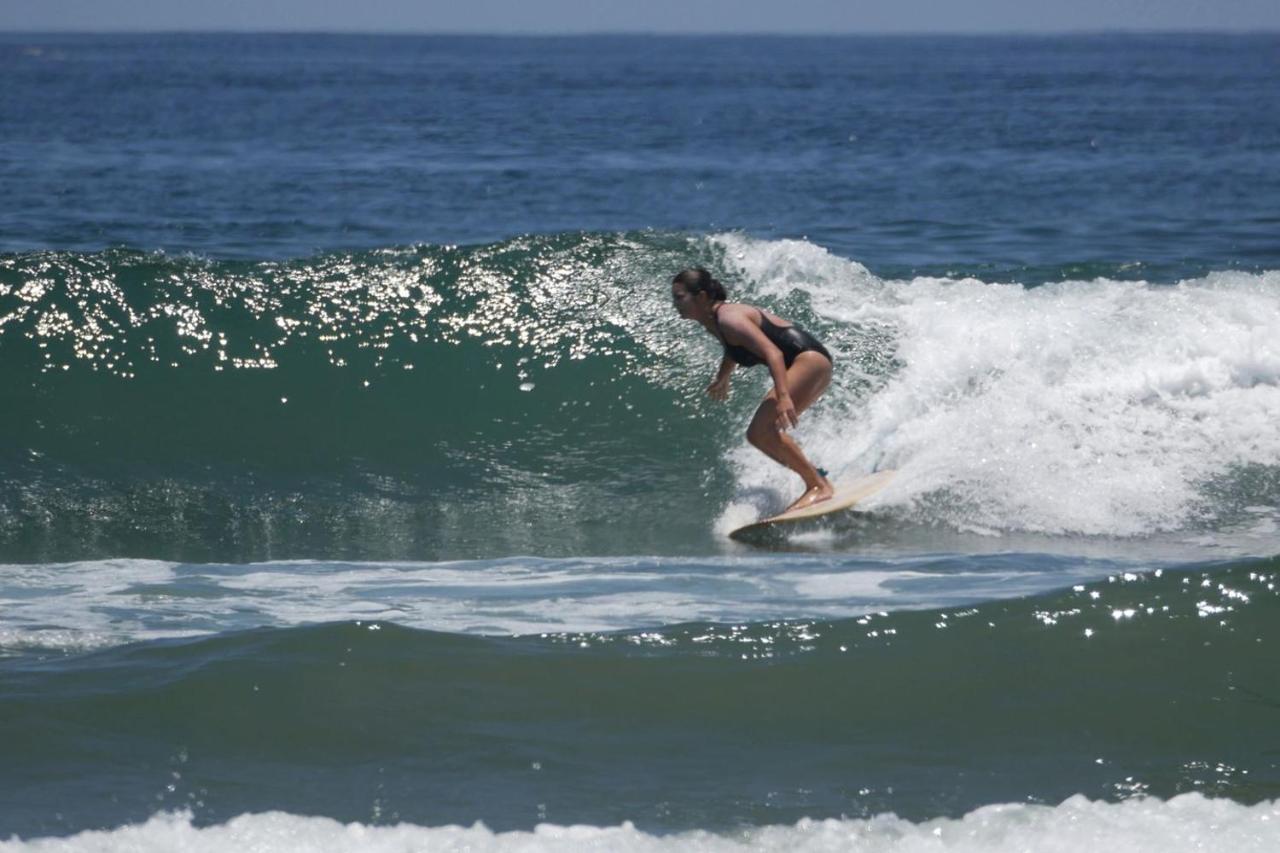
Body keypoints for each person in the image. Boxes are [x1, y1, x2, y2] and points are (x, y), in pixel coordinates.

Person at [671, 267, 834, 512]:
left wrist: (783, 396)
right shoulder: (713, 321)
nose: (675, 304)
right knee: (758, 435)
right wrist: (723, 377)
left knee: (762, 429)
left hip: (809, 360)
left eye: (680, 297)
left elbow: (773, 353)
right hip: (807, 362)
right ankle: (815, 475)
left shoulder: (728, 319)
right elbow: (734, 348)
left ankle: (818, 486)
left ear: (702, 297)